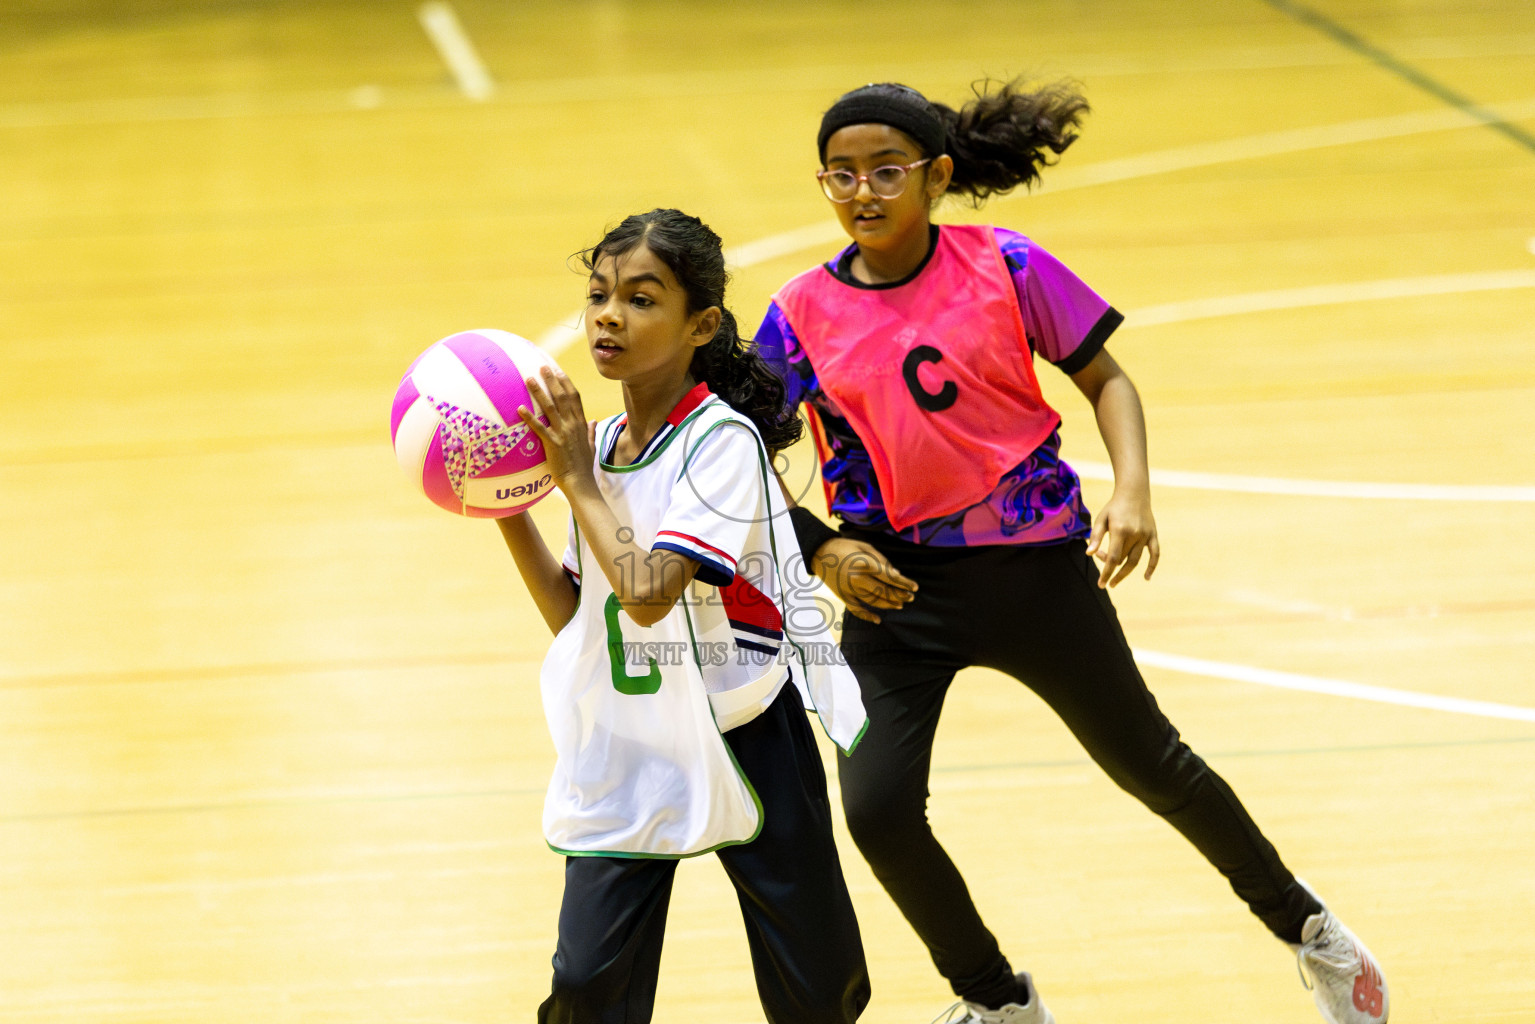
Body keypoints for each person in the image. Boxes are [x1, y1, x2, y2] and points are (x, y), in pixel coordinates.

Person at [755, 80, 1389, 1024]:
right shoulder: (799, 310)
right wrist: (822, 551)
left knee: (1153, 768)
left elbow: (1107, 378)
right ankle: (999, 1003)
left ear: (935, 176)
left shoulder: (1005, 265)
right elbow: (737, 461)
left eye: (886, 171)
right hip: (892, 589)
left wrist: (1132, 491)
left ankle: (1313, 934)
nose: (862, 192)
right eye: (839, 175)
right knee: (877, 812)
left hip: (1035, 573)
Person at [496, 208, 871, 1024]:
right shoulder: (590, 447)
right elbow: (583, 615)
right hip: (632, 738)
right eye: (598, 295)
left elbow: (648, 590)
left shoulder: (720, 442)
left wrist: (574, 481)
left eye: (639, 298)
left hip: (747, 729)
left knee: (818, 987)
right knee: (587, 984)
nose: (607, 315)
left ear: (700, 323)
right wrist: (502, 505)